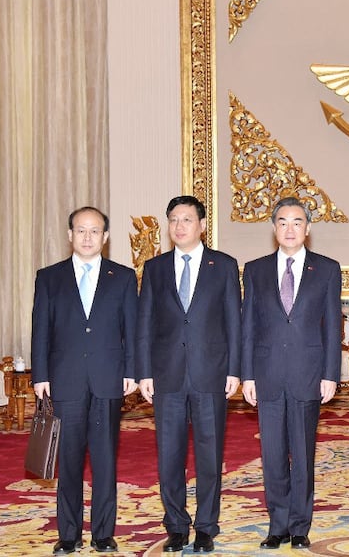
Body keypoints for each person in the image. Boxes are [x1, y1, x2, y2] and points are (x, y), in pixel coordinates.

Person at [136, 195, 241, 553]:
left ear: (201, 225)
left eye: (186, 219)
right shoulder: (155, 267)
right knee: (169, 456)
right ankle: (177, 525)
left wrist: (235, 369)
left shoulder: (223, 265)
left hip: (211, 373)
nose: (179, 226)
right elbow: (144, 323)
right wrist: (143, 372)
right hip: (166, 377)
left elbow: (234, 321)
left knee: (210, 456)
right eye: (174, 220)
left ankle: (207, 526)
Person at [31, 207, 138, 555]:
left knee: (105, 460)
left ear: (106, 238)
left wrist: (132, 371)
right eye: (81, 231)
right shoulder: (49, 277)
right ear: (70, 235)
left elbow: (132, 331)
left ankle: (104, 534)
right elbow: (41, 330)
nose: (88, 237)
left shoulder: (122, 277)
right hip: (65, 381)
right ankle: (69, 534)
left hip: (108, 380)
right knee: (70, 461)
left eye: (95, 231)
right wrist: (41, 375)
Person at [241, 197, 342, 550]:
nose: (289, 229)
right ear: (273, 228)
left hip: (308, 374)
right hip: (267, 375)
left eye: (297, 222)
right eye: (282, 222)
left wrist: (331, 374)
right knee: (272, 456)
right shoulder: (254, 269)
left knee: (302, 454)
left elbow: (332, 326)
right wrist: (247, 376)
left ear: (308, 228)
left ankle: (300, 526)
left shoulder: (327, 269)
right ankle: (278, 524)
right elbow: (248, 326)